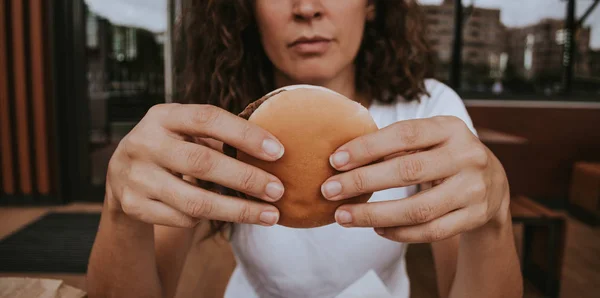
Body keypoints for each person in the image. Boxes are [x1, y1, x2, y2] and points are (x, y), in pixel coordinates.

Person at [87, 1, 523, 297]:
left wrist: (494, 219)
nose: (307, 7)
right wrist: (120, 210)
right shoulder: (215, 121)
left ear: (372, 4)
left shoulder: (429, 110)